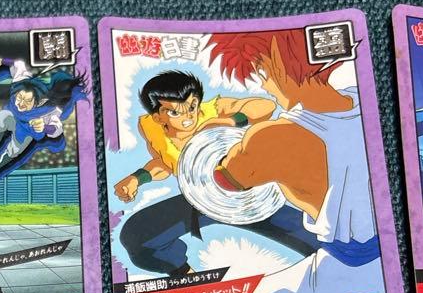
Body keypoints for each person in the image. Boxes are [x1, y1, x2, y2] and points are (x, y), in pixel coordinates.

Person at [203, 29, 387, 293]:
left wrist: (225, 128)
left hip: (350, 263)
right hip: (386, 244)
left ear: (283, 63)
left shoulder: (270, 138)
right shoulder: (362, 99)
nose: (264, 85)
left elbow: (226, 179)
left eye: (262, 71)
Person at [113, 70, 314, 280]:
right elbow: (165, 163)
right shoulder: (151, 128)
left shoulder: (213, 109)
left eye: (192, 107)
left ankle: (332, 266)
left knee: (318, 236)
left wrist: (229, 122)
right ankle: (185, 277)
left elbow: (266, 107)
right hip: (201, 200)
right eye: (174, 112)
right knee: (137, 237)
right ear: (158, 116)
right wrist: (137, 178)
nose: (188, 117)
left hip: (248, 197)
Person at [0, 60, 87, 185]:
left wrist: (44, 127)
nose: (21, 104)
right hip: (11, 118)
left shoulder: (48, 111)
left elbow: (56, 129)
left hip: (25, 132)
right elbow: (19, 64)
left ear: (37, 102)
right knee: (0, 117)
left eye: (27, 102)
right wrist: (1, 61)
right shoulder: (20, 83)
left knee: (13, 152)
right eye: (19, 98)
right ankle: (0, 138)